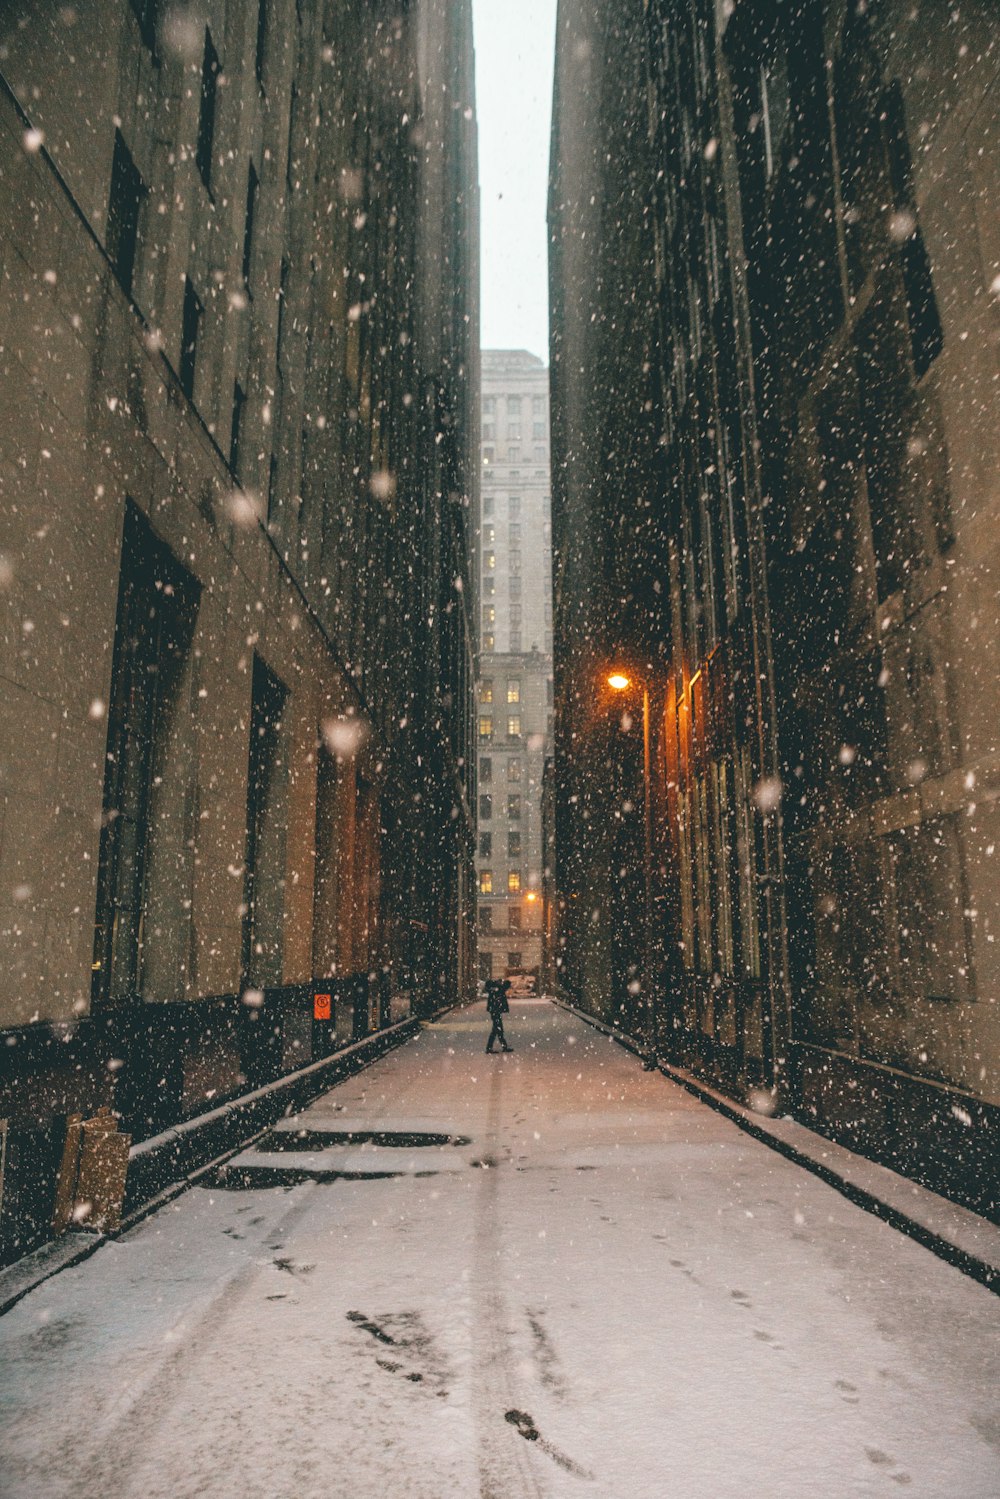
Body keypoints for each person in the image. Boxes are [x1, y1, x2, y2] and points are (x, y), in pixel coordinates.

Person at [484, 977, 512, 1053]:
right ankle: (490, 1048)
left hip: (495, 1012)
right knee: (497, 1030)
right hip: (495, 1012)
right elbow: (498, 1001)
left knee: (497, 1030)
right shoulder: (499, 990)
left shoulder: (498, 989)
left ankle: (502, 1046)